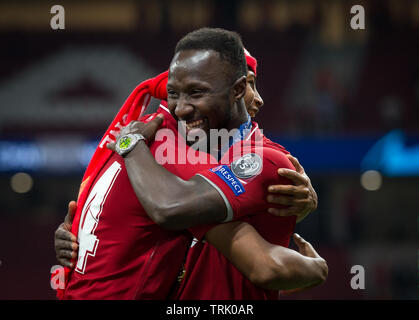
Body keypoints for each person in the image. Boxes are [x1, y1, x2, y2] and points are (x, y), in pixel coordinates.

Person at [54, 28, 326, 300]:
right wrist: (318, 269)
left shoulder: (146, 137)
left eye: (196, 93)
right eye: (178, 93)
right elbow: (263, 266)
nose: (258, 99)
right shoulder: (169, 151)